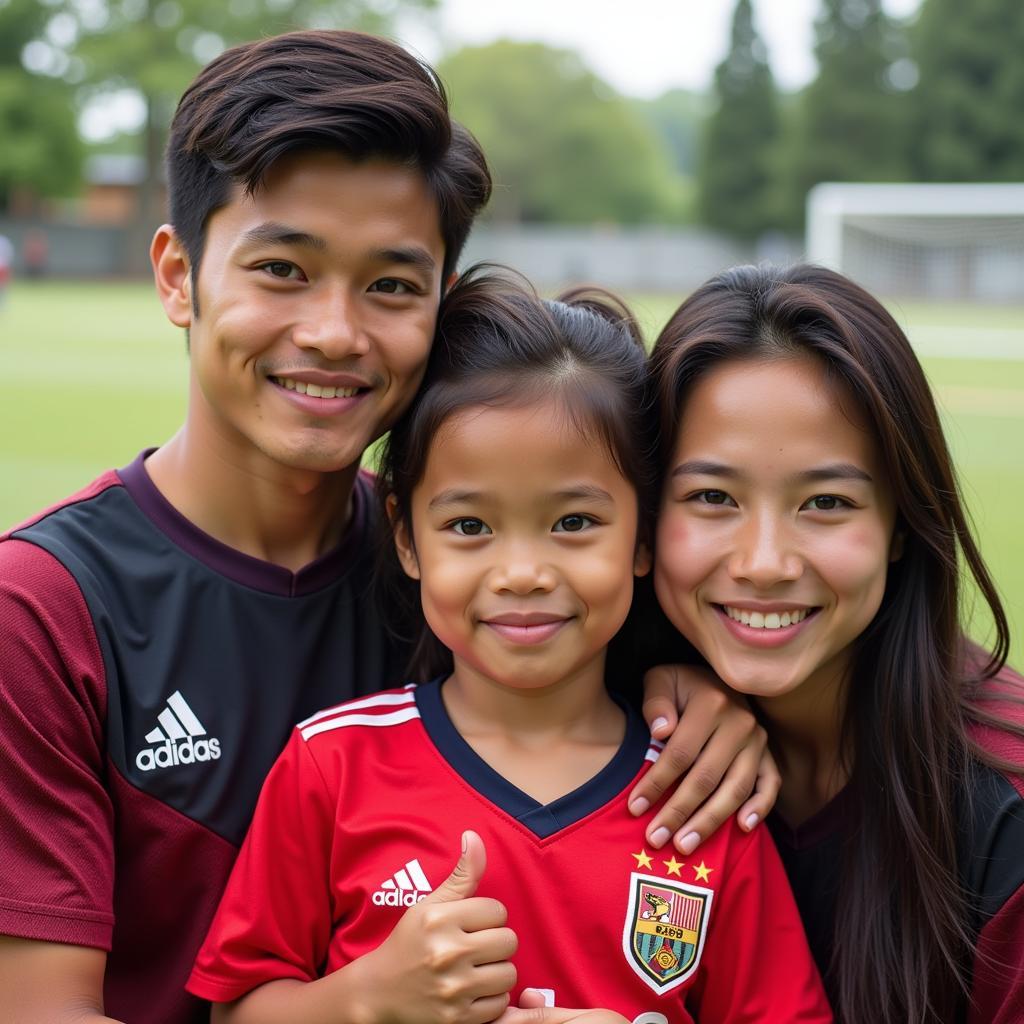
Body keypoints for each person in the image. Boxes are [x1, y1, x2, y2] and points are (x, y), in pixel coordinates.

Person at [0, 31, 774, 1024]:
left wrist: (691, 692)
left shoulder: (482, 570)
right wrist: (362, 1005)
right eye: (281, 268)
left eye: (392, 285)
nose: (334, 330)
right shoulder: (45, 610)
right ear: (177, 275)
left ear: (440, 303)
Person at [187, 270, 831, 1023]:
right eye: (469, 527)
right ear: (406, 536)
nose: (522, 574)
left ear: (644, 536)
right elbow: (235, 1011)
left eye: (573, 523)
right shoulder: (331, 766)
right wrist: (368, 999)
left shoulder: (704, 799)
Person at [646, 263, 1024, 1024]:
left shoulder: (1002, 807)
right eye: (712, 497)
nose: (763, 562)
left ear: (899, 525)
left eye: (826, 502)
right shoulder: (605, 730)